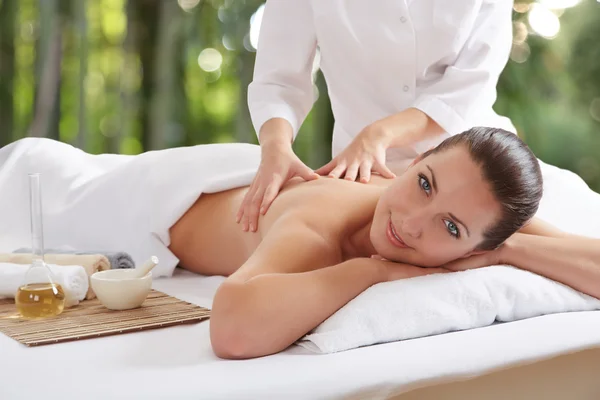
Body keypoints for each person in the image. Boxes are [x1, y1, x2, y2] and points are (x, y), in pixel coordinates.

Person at [169, 127, 600, 360]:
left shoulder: (478, 210)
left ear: (475, 248)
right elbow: (232, 331)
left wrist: (507, 251)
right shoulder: (319, 229)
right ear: (413, 162)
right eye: (424, 184)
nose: (410, 223)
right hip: (170, 198)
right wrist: (374, 271)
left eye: (450, 228)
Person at [237, 0, 517, 232]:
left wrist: (377, 135)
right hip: (360, 175)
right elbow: (279, 81)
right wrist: (275, 149)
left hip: (476, 165)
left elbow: (470, 85)